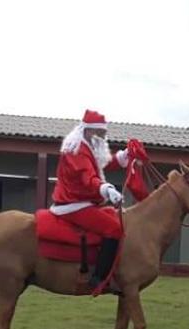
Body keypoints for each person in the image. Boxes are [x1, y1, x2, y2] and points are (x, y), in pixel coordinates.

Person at [51, 109, 147, 289]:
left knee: (116, 219)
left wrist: (124, 156)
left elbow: (102, 164)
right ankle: (99, 278)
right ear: (89, 130)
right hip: (74, 204)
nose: (103, 137)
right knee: (114, 229)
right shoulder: (78, 149)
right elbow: (89, 177)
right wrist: (107, 189)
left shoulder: (87, 145)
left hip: (83, 202)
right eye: (100, 133)